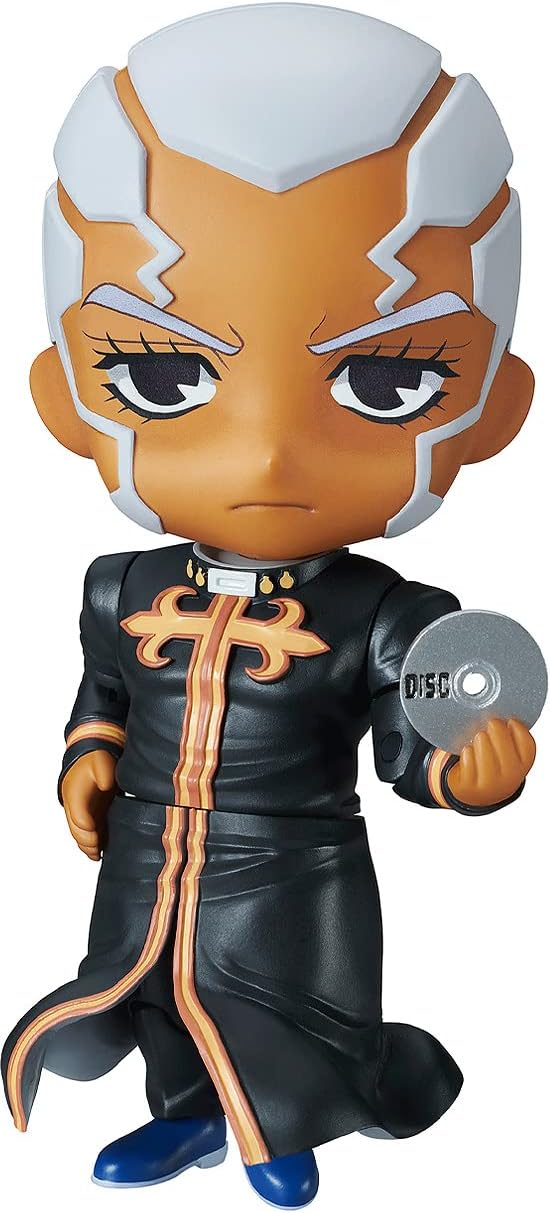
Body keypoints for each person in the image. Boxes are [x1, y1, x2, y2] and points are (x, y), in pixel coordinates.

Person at [2, 7, 537, 1208]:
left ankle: (280, 1125)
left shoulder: (387, 611)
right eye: (161, 374)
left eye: (388, 379)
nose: (268, 452)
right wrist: (88, 754)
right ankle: (186, 1115)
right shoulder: (120, 585)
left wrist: (466, 772)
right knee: (148, 984)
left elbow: (415, 741)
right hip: (146, 849)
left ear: (495, 406)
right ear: (64, 395)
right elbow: (104, 684)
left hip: (293, 868)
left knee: (283, 1007)